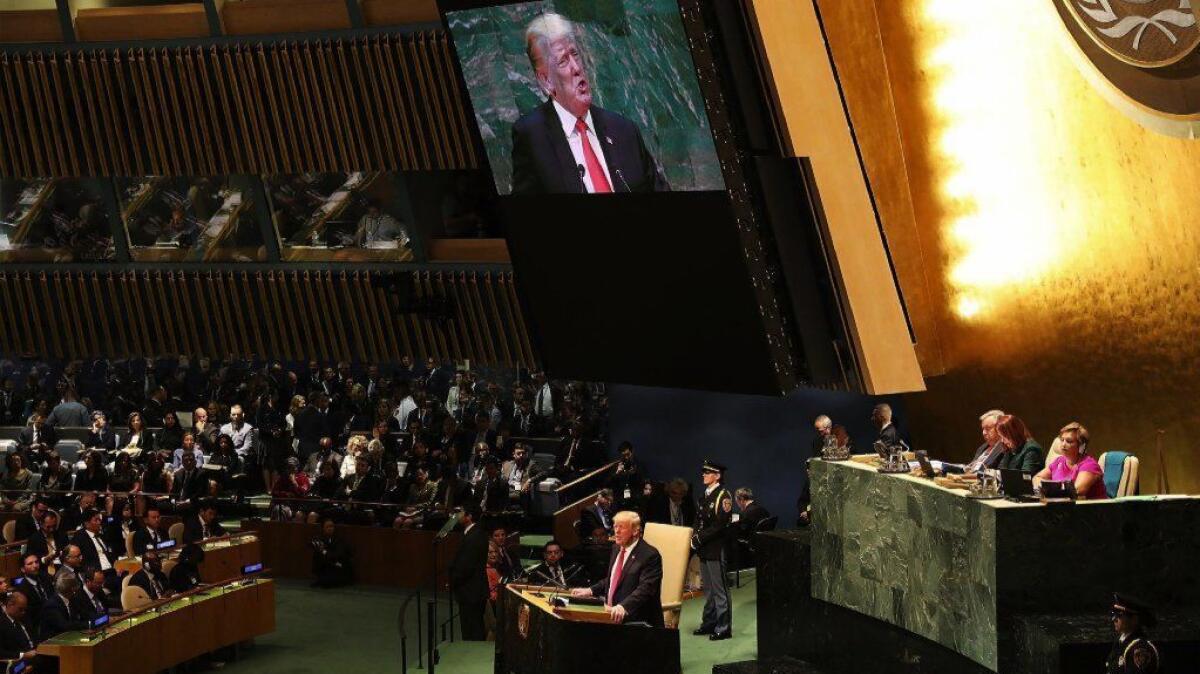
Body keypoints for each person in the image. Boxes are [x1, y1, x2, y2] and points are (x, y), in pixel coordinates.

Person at [511, 13, 669, 195]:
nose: (576, 68)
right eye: (563, 61)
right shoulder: (531, 137)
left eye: (575, 54)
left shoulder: (624, 130)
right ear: (546, 80)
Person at [570, 511, 664, 626]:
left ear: (635, 531)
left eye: (622, 527)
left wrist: (623, 606)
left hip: (637, 622)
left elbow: (646, 589)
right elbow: (613, 579)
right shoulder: (616, 548)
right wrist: (590, 590)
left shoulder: (649, 555)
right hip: (610, 617)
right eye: (615, 527)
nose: (617, 531)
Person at [692, 460, 733, 640]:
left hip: (716, 548)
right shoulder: (705, 495)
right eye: (703, 472)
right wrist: (694, 537)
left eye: (707, 472)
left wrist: (699, 538)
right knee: (708, 590)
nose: (703, 474)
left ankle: (723, 628)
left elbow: (719, 526)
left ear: (717, 476)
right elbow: (698, 520)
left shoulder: (723, 496)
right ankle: (709, 623)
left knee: (719, 590)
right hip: (704, 549)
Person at [1034, 422, 1106, 500]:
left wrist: (1049, 490)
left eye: (1069, 441)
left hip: (1090, 509)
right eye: (1062, 440)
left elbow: (1077, 491)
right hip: (1064, 507)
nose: (1063, 444)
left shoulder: (1089, 464)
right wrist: (1041, 489)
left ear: (1081, 446)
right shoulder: (1059, 461)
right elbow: (1037, 477)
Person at [449, 505, 489, 641]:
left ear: (469, 516)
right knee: (474, 626)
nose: (457, 516)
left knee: (472, 629)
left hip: (470, 590)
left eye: (460, 512)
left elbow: (466, 567)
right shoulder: (477, 533)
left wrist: (453, 581)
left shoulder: (473, 537)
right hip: (475, 589)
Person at [1107, 593, 1160, 673]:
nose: (1114, 619)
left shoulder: (1140, 649)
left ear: (1134, 619)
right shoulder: (1120, 643)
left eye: (1119, 616)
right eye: (1113, 614)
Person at [39, 574, 88, 640]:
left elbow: (83, 614)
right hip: (53, 642)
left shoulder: (72, 600)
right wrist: (87, 624)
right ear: (72, 589)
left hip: (69, 637)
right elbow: (64, 626)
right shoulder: (51, 605)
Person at [0, 592, 37, 664]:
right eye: (20, 609)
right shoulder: (1, 624)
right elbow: (1, 653)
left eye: (24, 609)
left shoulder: (25, 618)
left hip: (36, 654)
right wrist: (23, 655)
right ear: (10, 605)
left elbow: (35, 638)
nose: (23, 612)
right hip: (19, 661)